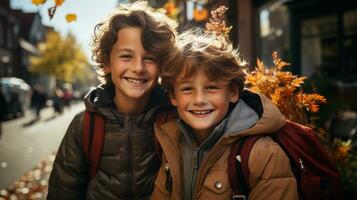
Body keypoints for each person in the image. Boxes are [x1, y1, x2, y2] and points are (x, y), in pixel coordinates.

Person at [47, 1, 177, 199]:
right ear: (107, 62)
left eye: (150, 58)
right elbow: (63, 192)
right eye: (126, 56)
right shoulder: (85, 126)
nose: (138, 67)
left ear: (161, 65)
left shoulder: (173, 122)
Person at [151, 30, 298, 200]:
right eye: (187, 89)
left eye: (211, 87)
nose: (199, 99)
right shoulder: (172, 145)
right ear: (173, 97)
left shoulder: (263, 156)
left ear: (233, 92)